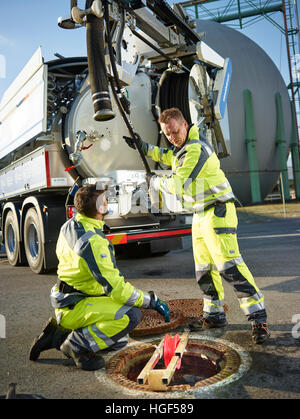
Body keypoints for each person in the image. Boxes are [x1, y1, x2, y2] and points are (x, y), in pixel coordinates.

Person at [124, 107, 270, 344]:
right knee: (204, 270)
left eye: (174, 132)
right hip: (201, 214)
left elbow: (179, 183)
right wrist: (144, 147)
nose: (172, 138)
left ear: (185, 125)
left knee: (229, 267)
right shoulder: (182, 150)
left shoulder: (195, 150)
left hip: (218, 211)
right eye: (167, 134)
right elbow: (166, 155)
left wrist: (156, 181)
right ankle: (214, 316)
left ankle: (258, 319)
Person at [29, 184, 170, 371]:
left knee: (119, 341)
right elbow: (118, 290)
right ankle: (76, 345)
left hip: (70, 299)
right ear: (100, 208)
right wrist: (151, 301)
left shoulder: (71, 225)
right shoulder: (93, 242)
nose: (108, 202)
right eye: (105, 200)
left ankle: (57, 335)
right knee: (130, 315)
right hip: (77, 304)